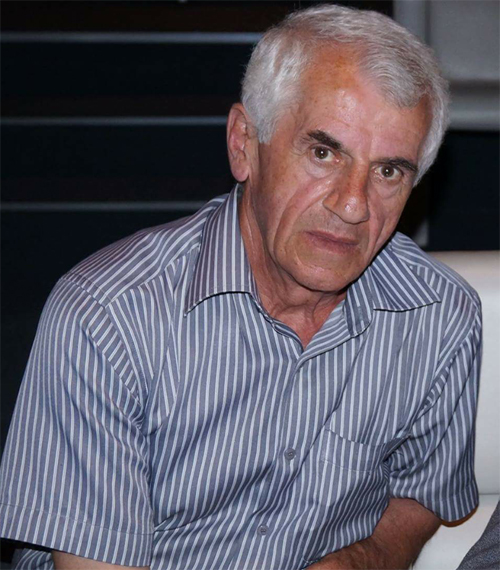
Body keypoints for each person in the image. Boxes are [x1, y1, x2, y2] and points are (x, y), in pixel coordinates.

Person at [0, 4, 482, 570]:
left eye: (388, 171)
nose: (353, 205)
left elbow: (422, 490)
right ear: (244, 144)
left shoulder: (440, 316)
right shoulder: (108, 316)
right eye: (323, 152)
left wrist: (366, 558)